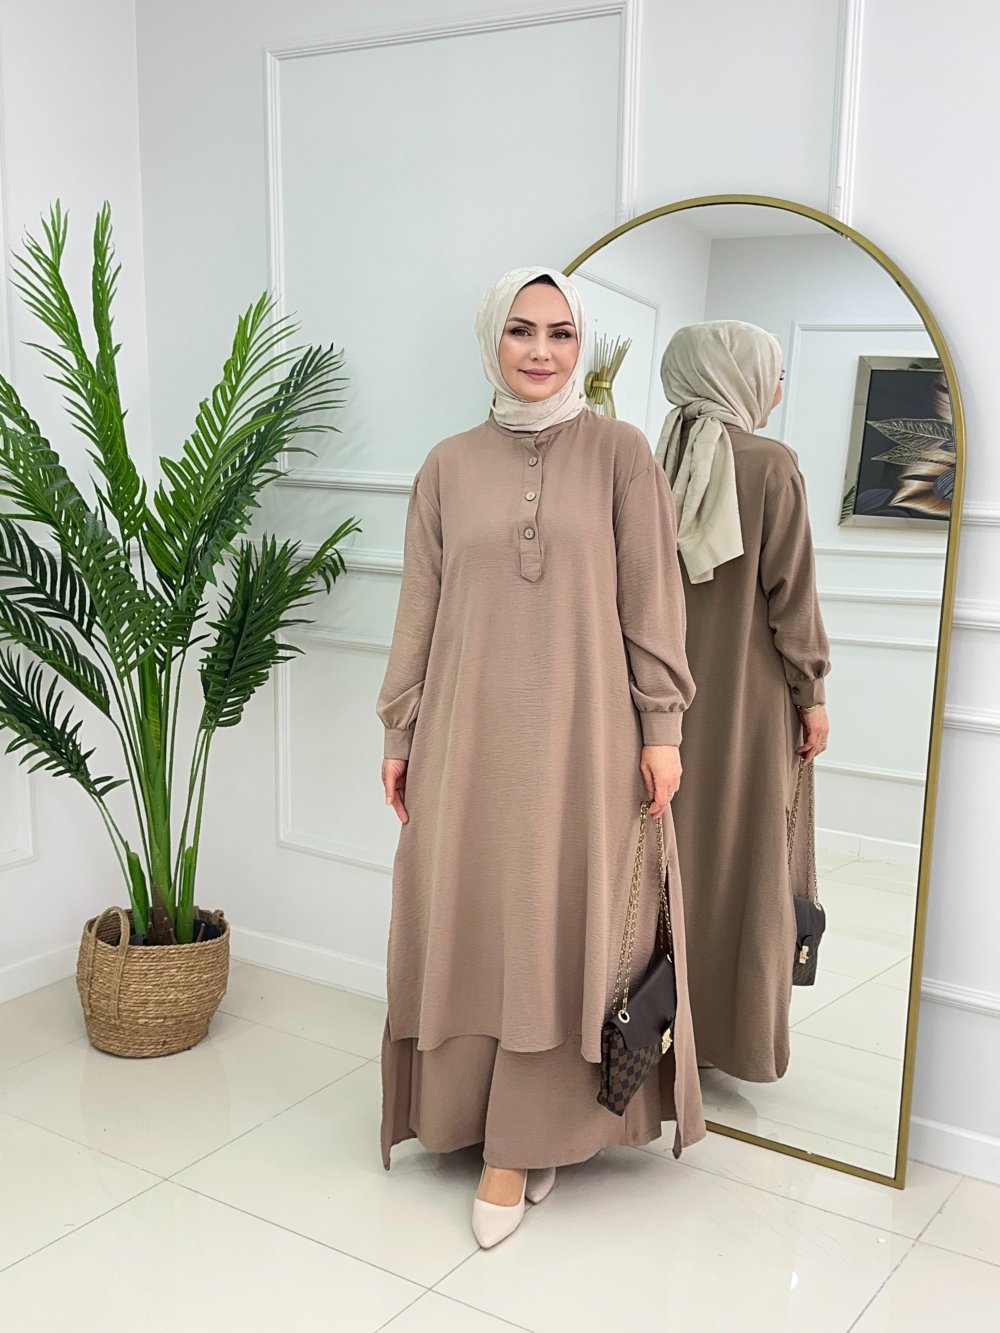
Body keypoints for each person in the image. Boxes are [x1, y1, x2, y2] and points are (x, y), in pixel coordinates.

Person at [377, 267, 703, 1249]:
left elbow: (652, 603)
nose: (541, 351)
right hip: (465, 737)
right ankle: (486, 1119)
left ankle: (526, 1138)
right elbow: (420, 609)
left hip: (588, 738)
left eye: (561, 333)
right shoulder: (446, 466)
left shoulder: (621, 455)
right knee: (478, 917)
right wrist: (400, 731)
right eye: (521, 330)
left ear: (579, 343)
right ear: (493, 338)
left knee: (565, 923)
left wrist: (661, 729)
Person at [655, 320, 831, 1084]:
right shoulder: (770, 464)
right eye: (773, 375)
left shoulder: (651, 460)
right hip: (747, 704)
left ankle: (656, 1026)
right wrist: (812, 695)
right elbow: (793, 596)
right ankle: (732, 1036)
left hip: (657, 702)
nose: (779, 392)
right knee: (746, 859)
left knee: (668, 860)